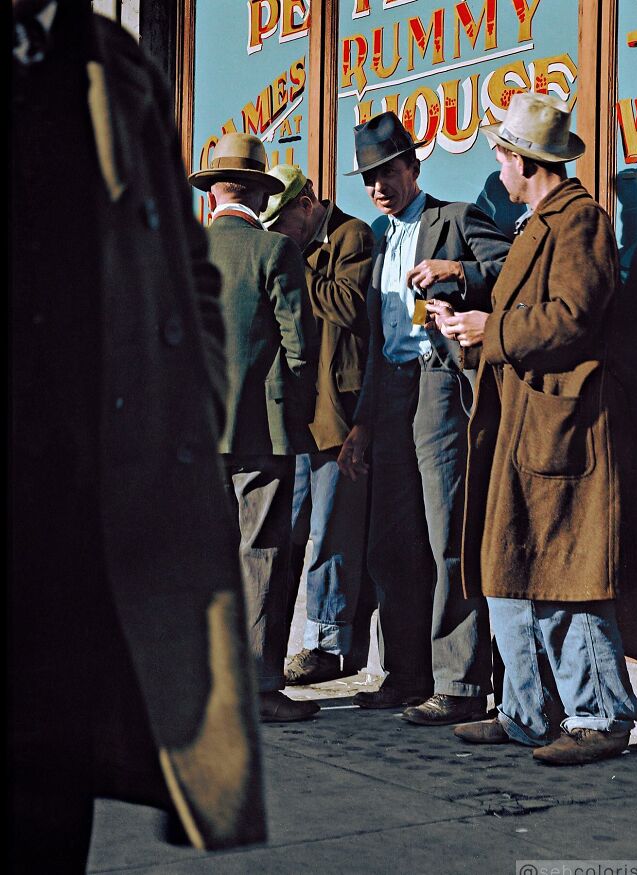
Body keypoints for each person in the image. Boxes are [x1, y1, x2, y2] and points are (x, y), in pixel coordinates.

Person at [10, 1, 264, 871]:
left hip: (82, 513)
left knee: (50, 780)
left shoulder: (113, 65)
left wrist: (187, 408)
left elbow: (184, 269)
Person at [435, 91, 637, 764]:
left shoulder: (579, 220)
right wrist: (471, 324)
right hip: (525, 427)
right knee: (508, 571)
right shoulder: (537, 222)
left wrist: (491, 328)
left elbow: (573, 318)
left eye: (501, 155)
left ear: (525, 161)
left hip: (562, 427)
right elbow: (526, 316)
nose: (497, 167)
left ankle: (602, 715)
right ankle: (527, 711)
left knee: (563, 575)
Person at [337, 111, 511, 725]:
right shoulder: (379, 238)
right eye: (368, 177)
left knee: (447, 538)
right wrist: (360, 423)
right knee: (390, 544)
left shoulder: (456, 218)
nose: (379, 186)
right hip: (390, 396)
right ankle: (406, 675)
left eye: (387, 171)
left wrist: (457, 270)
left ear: (414, 166)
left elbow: (515, 271)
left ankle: (459, 682)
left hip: (440, 386)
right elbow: (377, 339)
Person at [189, 134, 321, 723]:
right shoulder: (275, 251)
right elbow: (299, 347)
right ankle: (260, 687)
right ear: (258, 191)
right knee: (260, 551)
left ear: (214, 193)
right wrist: (296, 410)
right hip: (261, 430)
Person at [260, 165, 376, 685]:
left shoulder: (353, 235)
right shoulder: (295, 247)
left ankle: (326, 646)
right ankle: (276, 646)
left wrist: (294, 264)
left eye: (283, 222)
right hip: (298, 418)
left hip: (337, 415)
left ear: (307, 203)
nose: (280, 235)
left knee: (332, 534)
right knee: (290, 534)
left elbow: (349, 305)